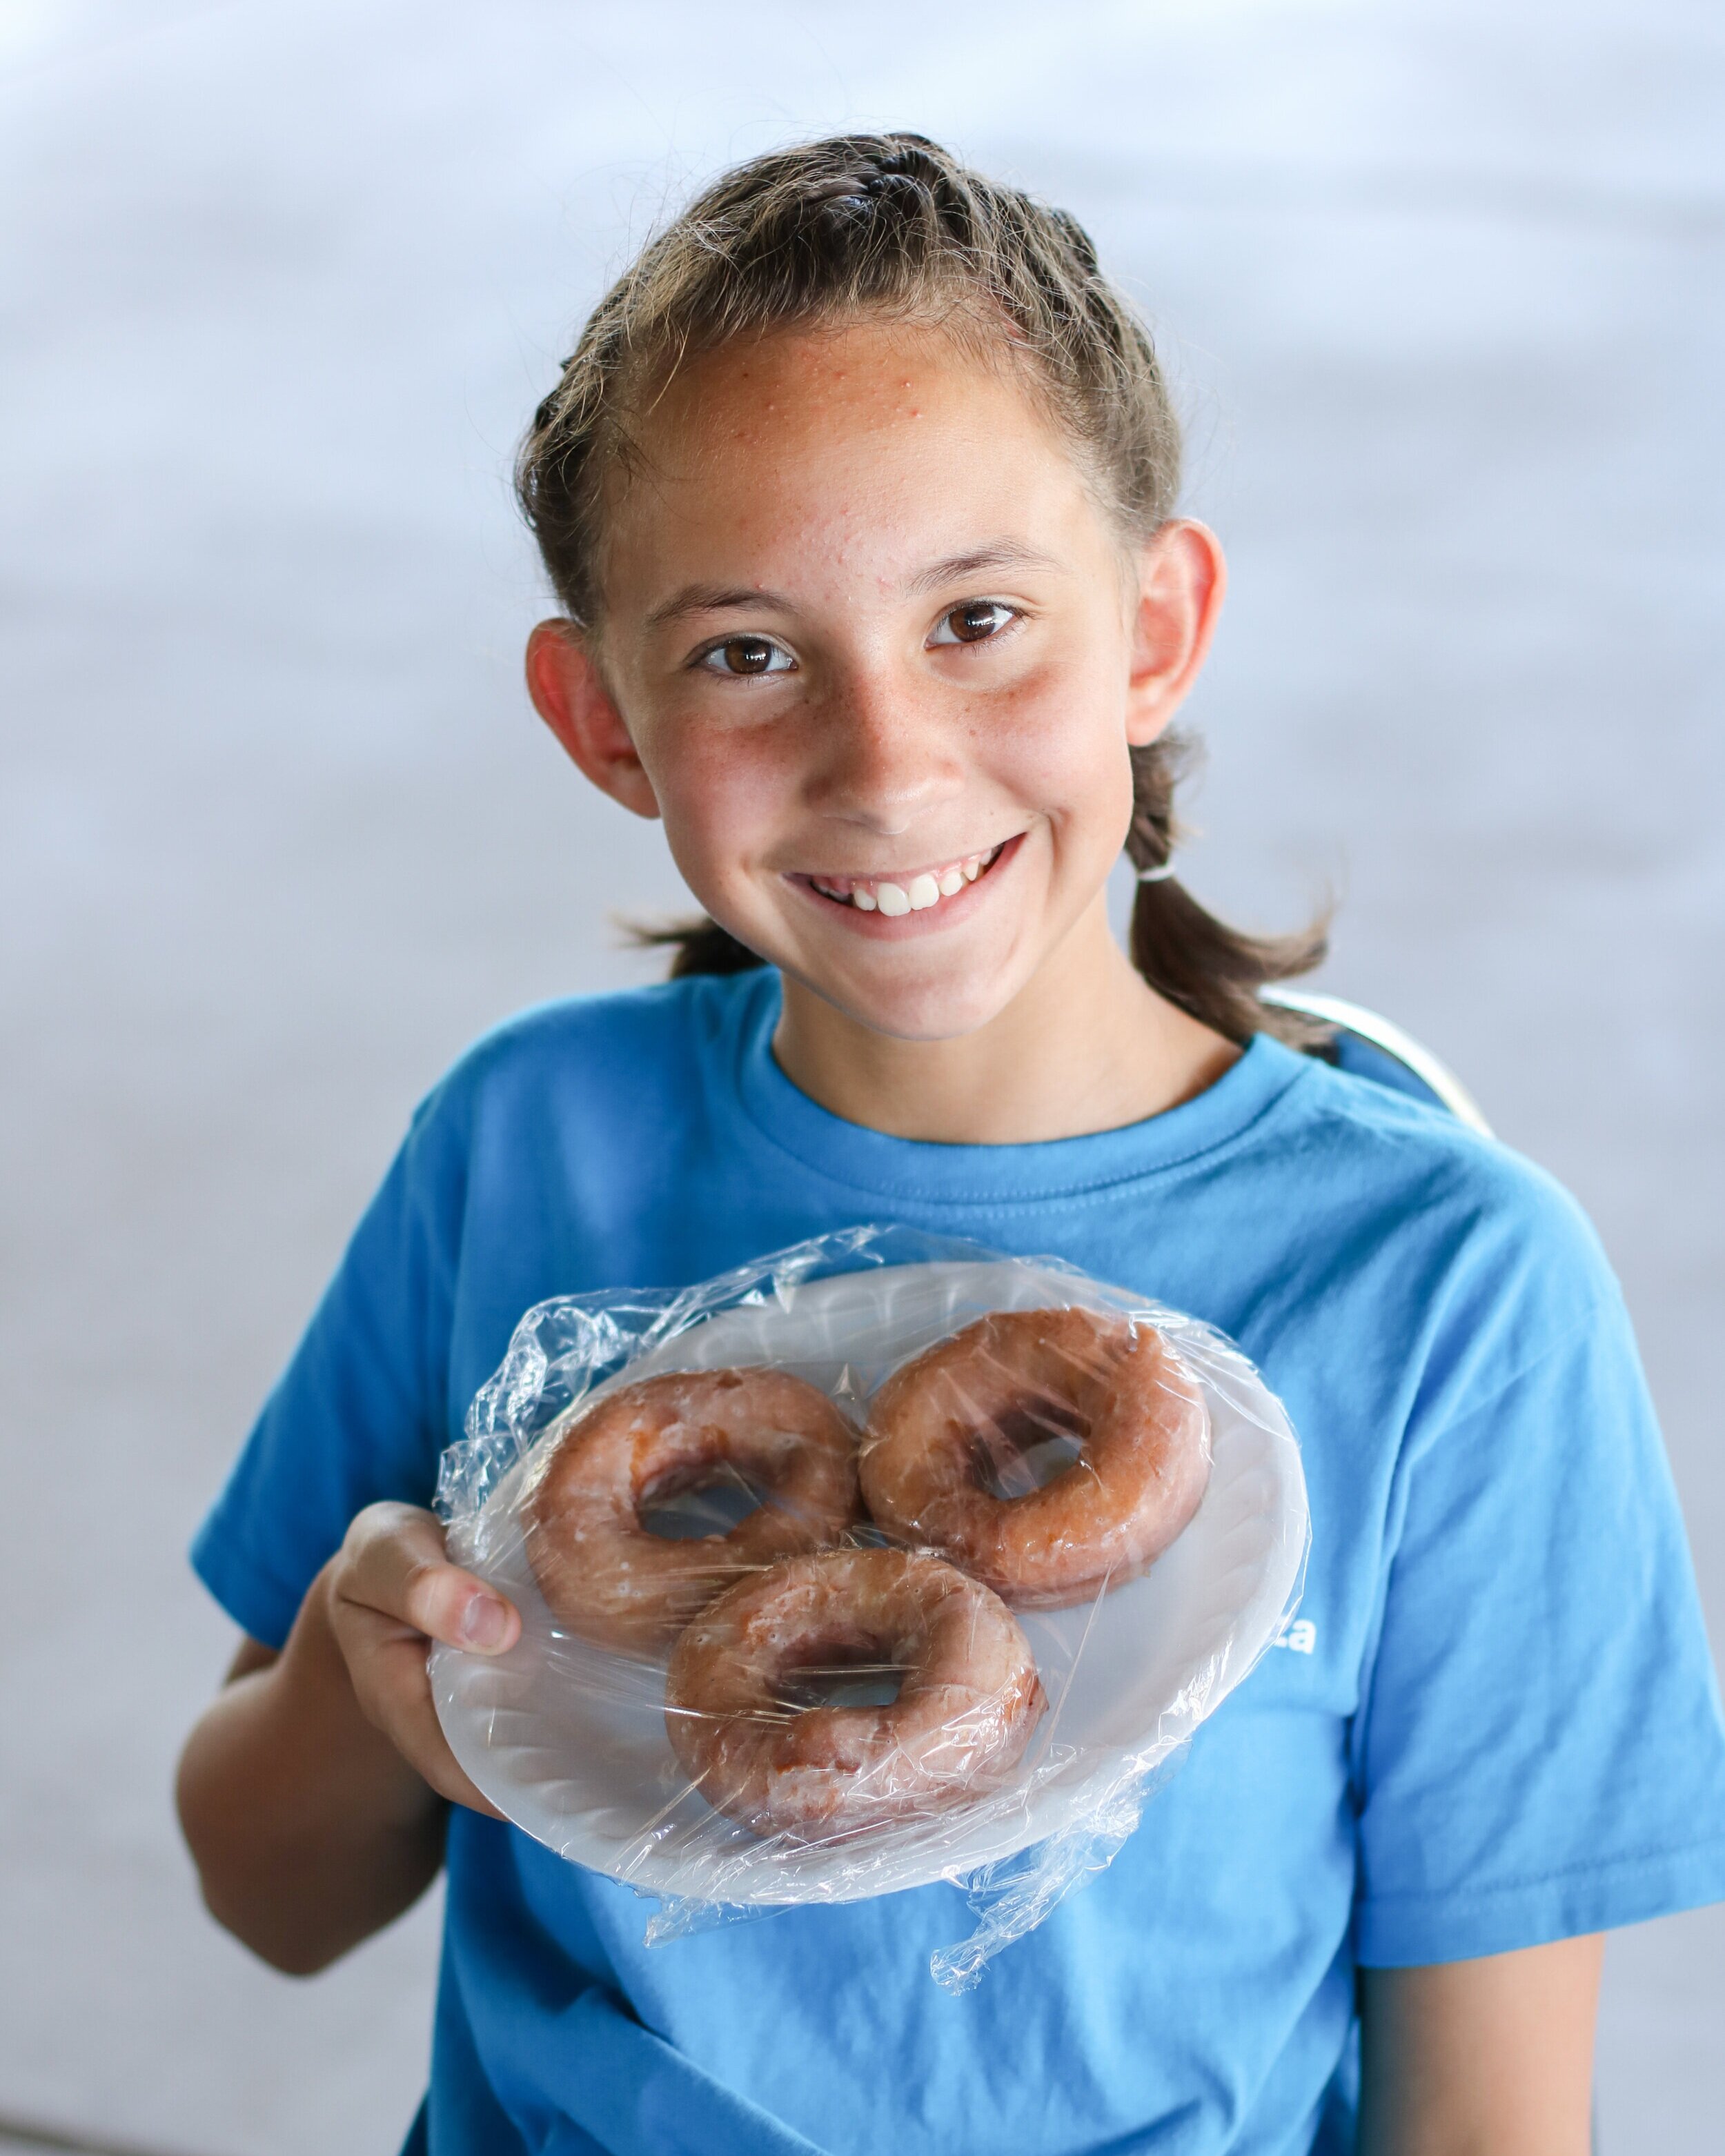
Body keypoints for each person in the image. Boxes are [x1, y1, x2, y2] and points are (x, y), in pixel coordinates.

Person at [175, 134, 1725, 2155]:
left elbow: (1491, 2121)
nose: (884, 760)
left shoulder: (1447, 1294)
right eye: (746, 651)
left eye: (975, 617)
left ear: (1155, 627)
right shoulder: (524, 1150)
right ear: (604, 719)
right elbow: (270, 1896)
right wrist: (347, 1680)